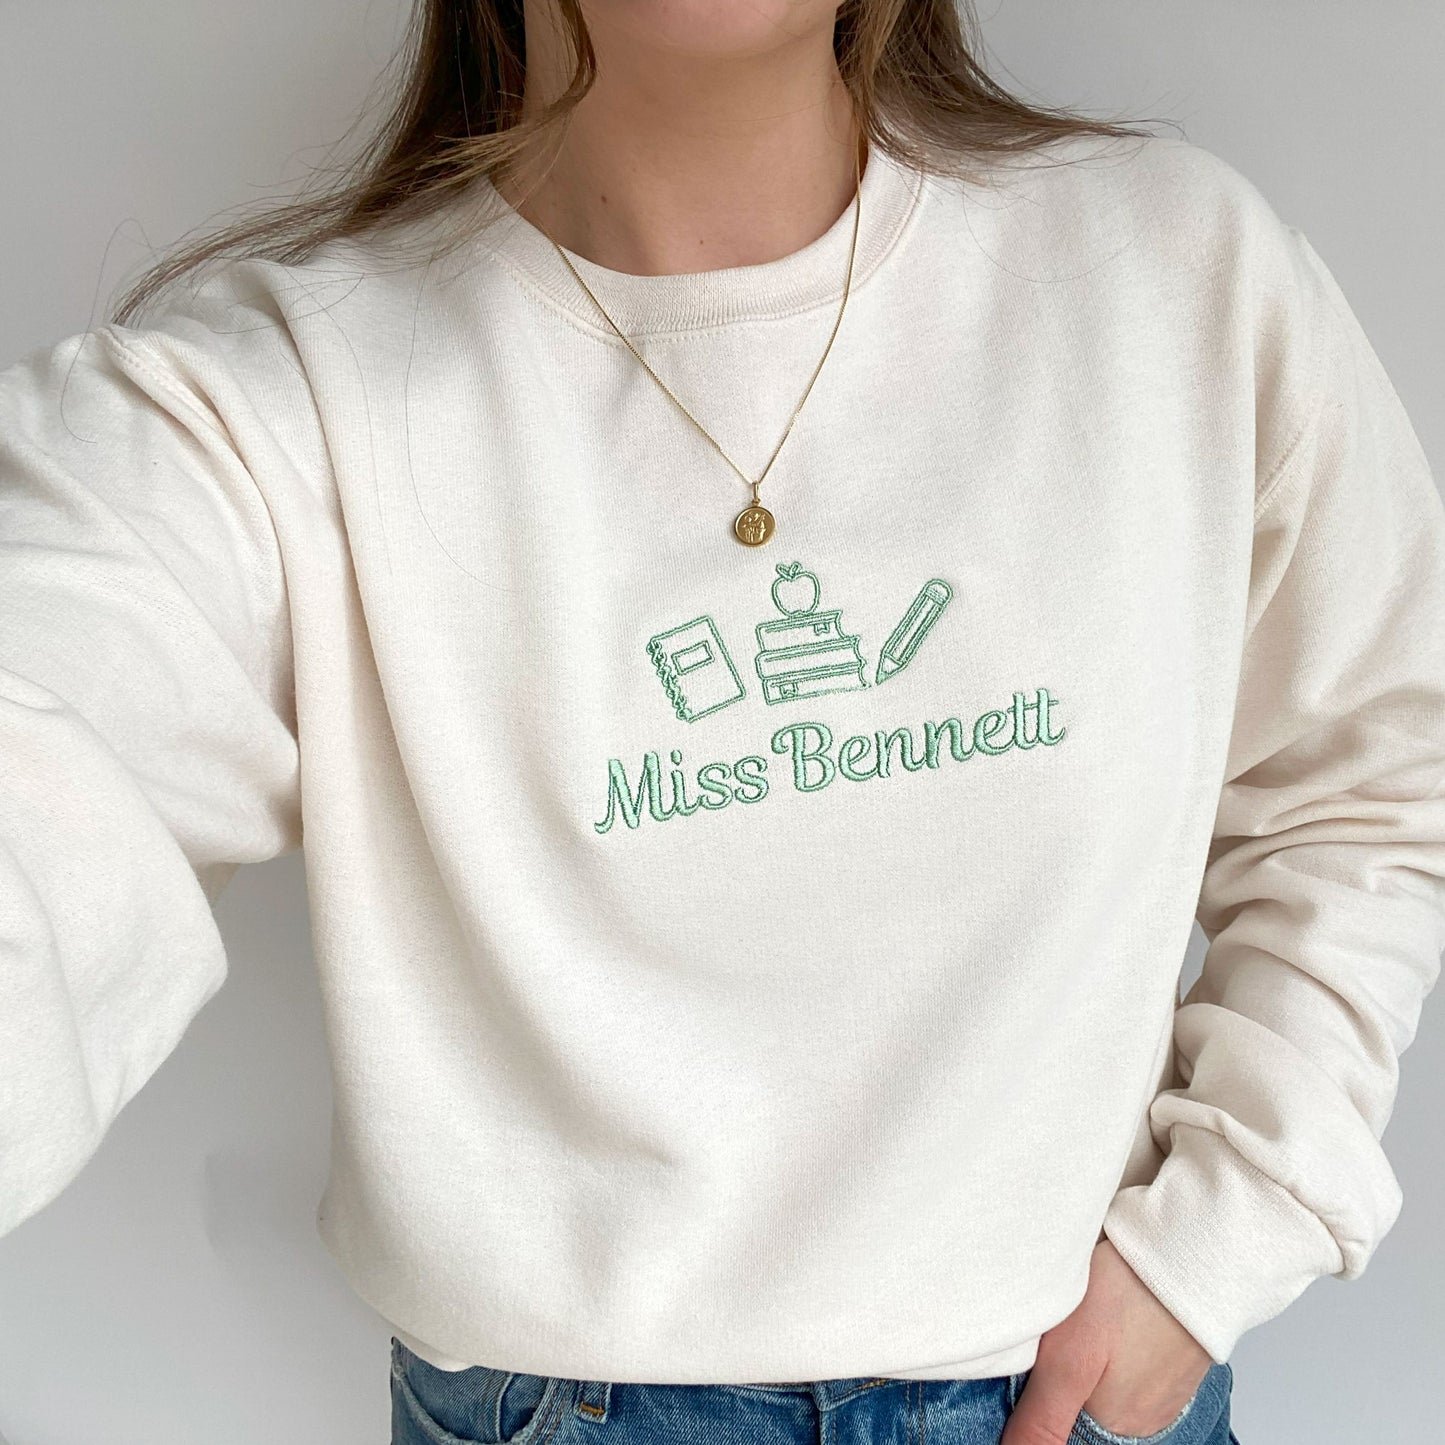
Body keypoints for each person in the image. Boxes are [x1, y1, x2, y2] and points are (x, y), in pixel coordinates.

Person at [1, 1, 1441, 1442]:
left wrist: (1218, 1235)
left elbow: (1376, 780)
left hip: (1066, 1403)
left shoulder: (1173, 279)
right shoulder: (272, 410)